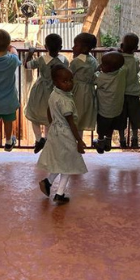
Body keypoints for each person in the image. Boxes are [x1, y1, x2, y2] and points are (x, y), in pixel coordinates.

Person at [37, 65, 88, 204]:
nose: (69, 83)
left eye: (71, 80)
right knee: (68, 165)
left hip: (55, 131)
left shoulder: (54, 94)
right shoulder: (65, 101)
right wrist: (79, 140)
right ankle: (59, 194)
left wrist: (52, 124)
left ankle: (48, 182)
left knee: (62, 160)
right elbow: (71, 123)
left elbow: (49, 110)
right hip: (66, 134)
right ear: (55, 82)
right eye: (65, 81)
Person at [23, 34, 69, 153]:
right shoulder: (64, 60)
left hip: (40, 91)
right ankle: (48, 139)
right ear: (61, 47)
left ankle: (39, 139)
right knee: (50, 117)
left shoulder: (41, 59)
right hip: (56, 91)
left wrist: (30, 53)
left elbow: (27, 65)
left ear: (45, 47)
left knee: (34, 115)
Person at [93, 52, 126, 154]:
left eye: (103, 64)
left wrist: (96, 70)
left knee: (102, 128)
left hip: (104, 109)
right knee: (111, 126)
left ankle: (100, 143)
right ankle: (108, 142)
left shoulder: (103, 77)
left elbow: (94, 80)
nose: (101, 65)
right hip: (117, 108)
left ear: (110, 68)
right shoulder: (121, 73)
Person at [118, 33, 140, 148]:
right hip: (133, 93)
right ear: (136, 48)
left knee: (120, 118)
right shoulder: (135, 61)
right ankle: (135, 138)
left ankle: (122, 139)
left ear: (121, 46)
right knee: (134, 117)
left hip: (121, 94)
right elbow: (137, 71)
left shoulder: (118, 59)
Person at [69, 33, 98, 137]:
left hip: (77, 92)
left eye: (76, 45)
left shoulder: (76, 61)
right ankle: (79, 141)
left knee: (74, 117)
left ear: (84, 48)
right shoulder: (94, 60)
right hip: (89, 92)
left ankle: (74, 142)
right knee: (81, 117)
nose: (73, 47)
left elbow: (69, 74)